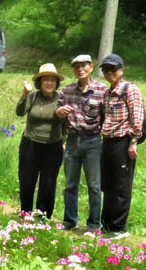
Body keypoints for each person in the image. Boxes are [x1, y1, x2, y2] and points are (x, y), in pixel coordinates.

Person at [55, 55, 108, 233]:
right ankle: (70, 220)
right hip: (71, 141)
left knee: (94, 185)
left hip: (93, 140)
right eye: (76, 66)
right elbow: (58, 115)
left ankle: (94, 224)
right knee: (70, 184)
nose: (80, 69)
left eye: (84, 66)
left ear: (91, 67)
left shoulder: (102, 90)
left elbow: (107, 117)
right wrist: (60, 112)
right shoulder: (67, 90)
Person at [99, 53, 145, 239]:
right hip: (108, 141)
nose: (109, 72)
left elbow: (137, 117)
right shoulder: (107, 92)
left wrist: (133, 142)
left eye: (113, 69)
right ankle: (106, 225)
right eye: (106, 69)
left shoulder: (130, 89)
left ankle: (118, 227)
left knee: (121, 185)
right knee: (107, 183)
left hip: (123, 141)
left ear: (121, 70)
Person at [15, 63, 65, 219]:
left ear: (56, 83)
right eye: (45, 80)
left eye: (52, 80)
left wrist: (65, 141)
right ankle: (25, 213)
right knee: (27, 179)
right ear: (40, 82)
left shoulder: (62, 98)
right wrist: (24, 94)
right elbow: (19, 112)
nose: (49, 83)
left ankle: (43, 216)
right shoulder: (33, 96)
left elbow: (68, 122)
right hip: (30, 143)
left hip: (54, 146)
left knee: (48, 182)